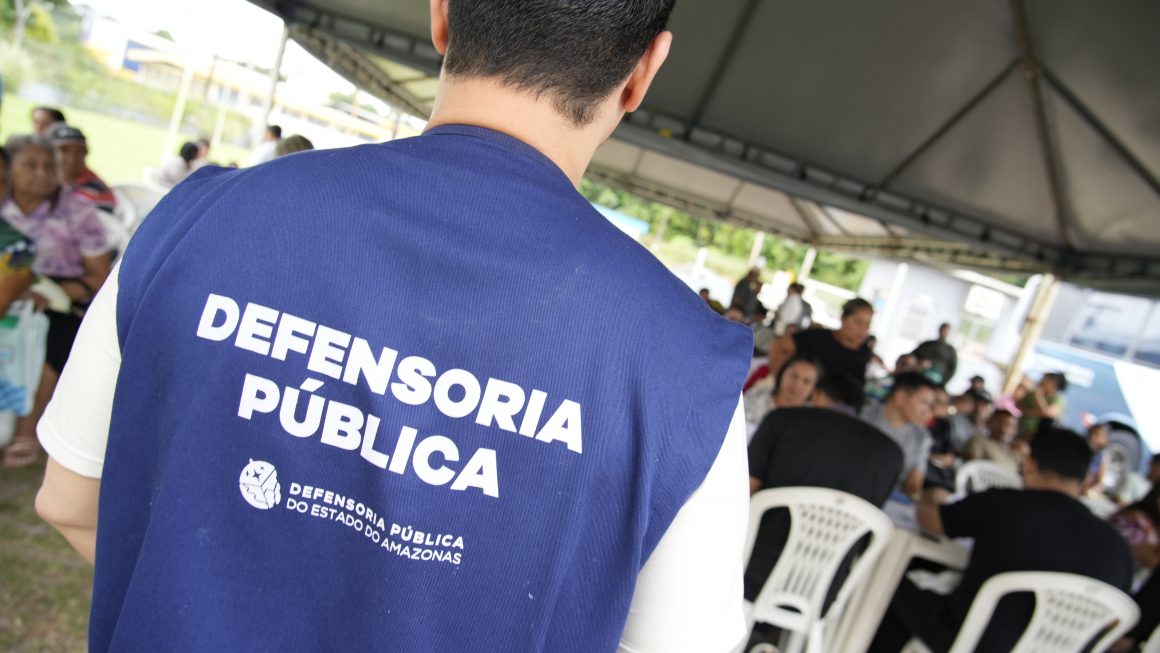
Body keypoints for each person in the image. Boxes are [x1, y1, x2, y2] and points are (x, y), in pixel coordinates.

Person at [34, 2, 756, 651]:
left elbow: (70, 496)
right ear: (643, 71)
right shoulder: (687, 368)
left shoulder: (198, 219)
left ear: (442, 14)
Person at [871, 427, 1133, 653]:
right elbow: (1111, 625)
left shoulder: (1003, 504)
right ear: (1086, 480)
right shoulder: (1119, 549)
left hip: (971, 642)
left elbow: (929, 519)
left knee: (893, 583)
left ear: (1029, 464)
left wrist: (933, 496)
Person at [746, 392, 904, 639]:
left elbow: (743, 494)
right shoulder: (890, 455)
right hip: (821, 592)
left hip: (749, 572)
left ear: (818, 395)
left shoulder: (782, 421)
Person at [1, 135, 110, 468]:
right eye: (30, 165)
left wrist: (54, 295)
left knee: (54, 335)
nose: (42, 174)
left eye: (49, 166)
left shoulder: (77, 210)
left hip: (66, 296)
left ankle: (25, 428)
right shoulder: (4, 206)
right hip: (13, 289)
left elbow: (100, 274)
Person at [860, 372, 938, 497]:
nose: (927, 411)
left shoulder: (922, 437)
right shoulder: (863, 416)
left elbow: (914, 485)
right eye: (924, 403)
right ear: (900, 397)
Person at [768, 296, 874, 382]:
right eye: (858, 322)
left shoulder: (864, 352)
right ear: (843, 318)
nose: (864, 328)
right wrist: (778, 379)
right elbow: (780, 344)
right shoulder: (818, 338)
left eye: (867, 323)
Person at [49, 124, 117, 214]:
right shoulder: (38, 179)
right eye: (64, 150)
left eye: (79, 151)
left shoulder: (100, 193)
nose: (71, 158)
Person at [742, 354, 820, 430]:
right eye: (794, 376)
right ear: (782, 374)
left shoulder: (811, 419)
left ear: (813, 389)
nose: (797, 385)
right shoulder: (756, 397)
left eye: (806, 381)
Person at [964, 409, 1022, 474]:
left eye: (1008, 425)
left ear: (1015, 430)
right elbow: (972, 467)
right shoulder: (979, 440)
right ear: (989, 423)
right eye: (999, 423)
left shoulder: (1016, 449)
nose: (1003, 429)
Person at [1014, 371, 1067, 436]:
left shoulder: (1057, 399)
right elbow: (1018, 404)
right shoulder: (1034, 392)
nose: (1042, 381)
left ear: (1054, 384)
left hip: (1033, 434)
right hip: (1018, 427)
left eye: (1046, 380)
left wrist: (1039, 397)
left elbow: (1046, 413)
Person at [1083, 423, 1111, 495]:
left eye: (1102, 435)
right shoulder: (1082, 449)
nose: (1095, 438)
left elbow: (1101, 480)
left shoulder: (1102, 456)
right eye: (1095, 434)